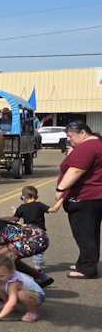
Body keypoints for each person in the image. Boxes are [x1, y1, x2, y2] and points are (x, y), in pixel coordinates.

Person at [55, 120, 102, 279]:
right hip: (95, 197)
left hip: (85, 198)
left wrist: (60, 189)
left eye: (71, 136)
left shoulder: (87, 147)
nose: (69, 139)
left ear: (83, 133)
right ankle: (85, 262)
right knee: (91, 233)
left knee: (84, 234)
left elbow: (75, 171)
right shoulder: (96, 145)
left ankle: (87, 268)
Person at [0, 254, 44, 323]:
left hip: (38, 296)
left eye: (1, 276)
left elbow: (12, 302)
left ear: (12, 272)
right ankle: (6, 305)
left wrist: (0, 316)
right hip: (28, 293)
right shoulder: (6, 274)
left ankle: (33, 313)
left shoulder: (14, 282)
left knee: (21, 294)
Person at [13, 185, 52, 272]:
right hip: (39, 232)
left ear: (23, 197)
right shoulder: (39, 205)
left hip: (27, 231)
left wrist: (15, 213)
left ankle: (16, 262)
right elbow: (51, 209)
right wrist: (59, 201)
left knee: (23, 246)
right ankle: (38, 266)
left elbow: (15, 219)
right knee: (38, 249)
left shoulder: (21, 207)